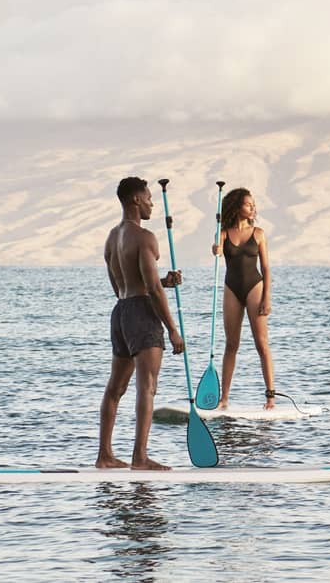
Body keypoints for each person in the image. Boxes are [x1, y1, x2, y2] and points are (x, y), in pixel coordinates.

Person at [97, 176, 186, 470]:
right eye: (148, 198)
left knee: (115, 389)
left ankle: (105, 456)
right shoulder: (145, 237)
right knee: (146, 387)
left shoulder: (112, 238)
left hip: (121, 312)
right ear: (135, 200)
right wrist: (173, 329)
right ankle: (140, 457)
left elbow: (124, 285)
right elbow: (152, 289)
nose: (151, 204)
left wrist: (162, 282)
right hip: (142, 316)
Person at [210, 187, 277, 409]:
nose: (252, 208)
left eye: (253, 204)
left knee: (261, 344)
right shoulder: (224, 232)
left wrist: (267, 297)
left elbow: (266, 268)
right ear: (237, 207)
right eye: (248, 204)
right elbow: (217, 250)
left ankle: (270, 397)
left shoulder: (258, 233)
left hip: (254, 287)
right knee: (231, 344)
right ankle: (224, 399)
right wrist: (216, 249)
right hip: (232, 288)